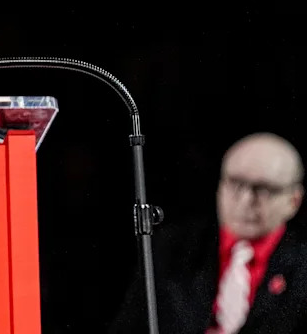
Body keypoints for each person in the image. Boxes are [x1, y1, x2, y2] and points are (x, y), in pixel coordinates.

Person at [110, 132, 307, 334]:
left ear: (294, 200)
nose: (246, 200)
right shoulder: (172, 247)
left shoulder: (302, 266)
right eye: (235, 183)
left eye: (263, 189)